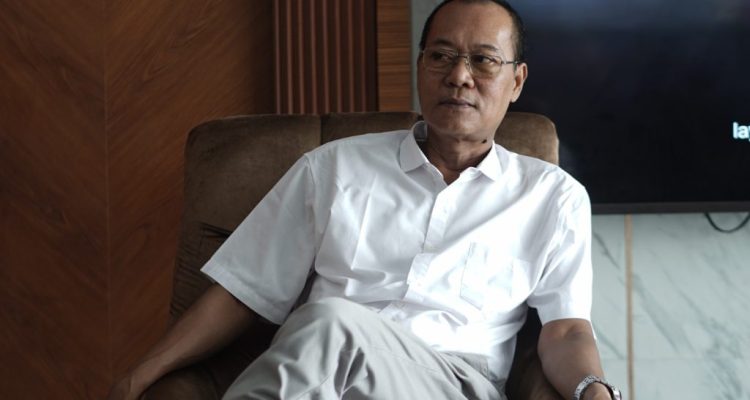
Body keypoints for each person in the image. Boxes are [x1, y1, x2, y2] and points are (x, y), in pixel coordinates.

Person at [109, 1, 621, 399]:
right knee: (329, 328)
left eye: (483, 60)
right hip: (323, 378)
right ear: (420, 67)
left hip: (453, 384)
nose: (459, 76)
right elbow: (244, 290)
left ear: (516, 81)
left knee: (331, 322)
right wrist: (138, 376)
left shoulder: (551, 197)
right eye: (441, 56)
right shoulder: (333, 167)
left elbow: (566, 329)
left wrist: (594, 390)